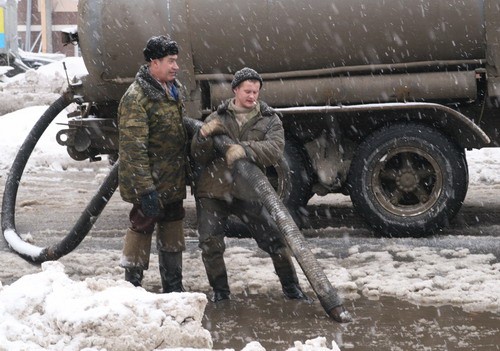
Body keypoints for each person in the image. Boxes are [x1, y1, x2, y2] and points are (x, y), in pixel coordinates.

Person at [191, 67, 308, 302]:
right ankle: (221, 293)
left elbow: (274, 151)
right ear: (235, 90)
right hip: (213, 190)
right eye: (247, 91)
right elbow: (198, 156)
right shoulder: (218, 117)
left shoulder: (269, 119)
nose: (252, 96)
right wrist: (203, 135)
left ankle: (291, 288)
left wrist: (245, 149)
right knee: (210, 243)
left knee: (275, 240)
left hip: (249, 191)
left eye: (256, 91)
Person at [117, 35, 187, 293]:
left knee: (172, 231)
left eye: (176, 61)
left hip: (172, 180)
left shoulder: (172, 90)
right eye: (170, 61)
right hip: (149, 183)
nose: (175, 66)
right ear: (154, 63)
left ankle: (174, 288)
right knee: (141, 228)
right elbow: (133, 150)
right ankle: (132, 288)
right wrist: (146, 189)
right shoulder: (137, 97)